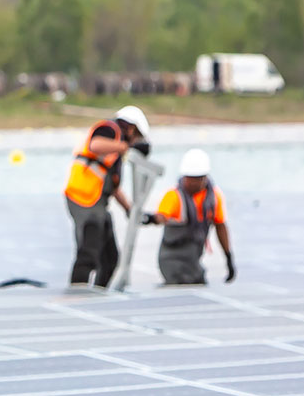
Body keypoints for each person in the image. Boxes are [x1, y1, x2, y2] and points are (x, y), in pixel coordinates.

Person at [65, 105, 150, 287]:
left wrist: (130, 210)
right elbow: (94, 145)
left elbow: (113, 187)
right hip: (83, 197)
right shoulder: (111, 129)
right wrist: (126, 146)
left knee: (110, 257)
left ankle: (99, 292)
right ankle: (78, 290)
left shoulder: (116, 152)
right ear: (132, 128)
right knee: (89, 251)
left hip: (96, 201)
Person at [144, 147, 235, 285]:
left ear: (205, 178)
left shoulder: (214, 198)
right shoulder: (174, 196)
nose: (192, 182)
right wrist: (150, 218)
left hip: (193, 260)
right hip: (171, 259)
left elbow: (220, 226)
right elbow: (161, 216)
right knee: (180, 285)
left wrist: (228, 258)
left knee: (199, 283)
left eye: (197, 179)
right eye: (189, 178)